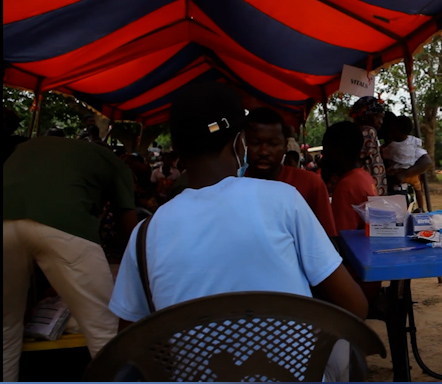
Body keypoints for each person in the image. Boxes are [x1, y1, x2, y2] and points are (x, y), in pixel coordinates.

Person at [109, 83, 366, 381]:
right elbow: (354, 307)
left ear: (176, 149)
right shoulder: (283, 200)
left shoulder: (144, 236)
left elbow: (128, 348)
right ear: (239, 144)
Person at [4, 136, 137, 381]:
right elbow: (127, 223)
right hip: (65, 227)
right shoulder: (116, 163)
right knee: (104, 331)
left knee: (6, 330)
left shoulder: (30, 148)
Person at [243, 107, 337, 238]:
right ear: (242, 144)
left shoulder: (311, 184)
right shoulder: (232, 187)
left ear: (285, 146)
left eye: (273, 144)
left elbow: (329, 239)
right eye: (255, 143)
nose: (263, 151)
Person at [319, 121, 381, 303]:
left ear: (336, 151)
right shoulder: (363, 176)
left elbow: (338, 243)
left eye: (326, 149)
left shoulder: (347, 186)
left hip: (355, 280)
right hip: (369, 274)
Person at [381, 115, 430, 210]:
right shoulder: (412, 141)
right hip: (404, 178)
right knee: (418, 188)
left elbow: (427, 161)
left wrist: (403, 174)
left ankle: (420, 209)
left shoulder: (389, 147)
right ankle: (421, 208)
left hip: (399, 178)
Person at [349, 96, 387, 196]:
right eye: (377, 117)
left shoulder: (355, 131)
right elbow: (365, 159)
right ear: (365, 116)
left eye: (381, 118)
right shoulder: (369, 131)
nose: (380, 121)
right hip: (371, 185)